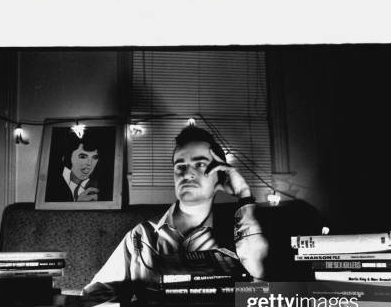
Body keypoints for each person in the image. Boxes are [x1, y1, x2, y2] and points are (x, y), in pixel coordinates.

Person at [83, 125, 269, 295]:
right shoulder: (141, 237)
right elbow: (95, 294)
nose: (187, 174)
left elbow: (260, 291)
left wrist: (244, 195)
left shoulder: (238, 235)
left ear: (220, 177)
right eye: (180, 166)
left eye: (200, 164)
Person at [45, 133, 101, 202]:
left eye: (94, 157)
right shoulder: (51, 182)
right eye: (83, 157)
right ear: (67, 157)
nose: (89, 163)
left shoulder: (95, 185)